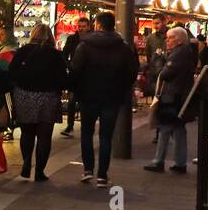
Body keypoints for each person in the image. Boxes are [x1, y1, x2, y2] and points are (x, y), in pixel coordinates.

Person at [70, 10, 139, 188]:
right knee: (106, 136)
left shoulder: (84, 46)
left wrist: (78, 90)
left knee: (86, 133)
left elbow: (75, 70)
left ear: (98, 25)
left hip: (88, 96)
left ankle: (87, 170)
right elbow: (132, 72)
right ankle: (102, 175)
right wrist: (121, 88)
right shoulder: (123, 47)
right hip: (112, 97)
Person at [8, 23, 67, 181]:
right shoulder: (55, 55)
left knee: (27, 133)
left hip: (24, 95)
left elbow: (11, 72)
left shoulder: (23, 52)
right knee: (44, 136)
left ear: (33, 34)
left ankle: (27, 161)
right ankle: (40, 171)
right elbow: (63, 78)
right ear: (50, 37)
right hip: (48, 97)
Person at [144, 26, 197, 174]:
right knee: (179, 130)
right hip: (179, 96)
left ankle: (158, 161)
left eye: (170, 37)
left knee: (165, 128)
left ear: (179, 40)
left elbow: (164, 74)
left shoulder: (178, 54)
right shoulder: (184, 52)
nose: (167, 41)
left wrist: (158, 60)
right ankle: (180, 163)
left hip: (171, 96)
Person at [60, 17, 93, 137]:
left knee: (85, 101)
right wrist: (69, 65)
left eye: (83, 26)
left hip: (89, 75)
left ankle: (86, 124)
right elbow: (64, 54)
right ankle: (70, 124)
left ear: (88, 27)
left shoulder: (93, 40)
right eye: (79, 26)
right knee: (72, 101)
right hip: (75, 74)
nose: (81, 29)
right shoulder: (72, 39)